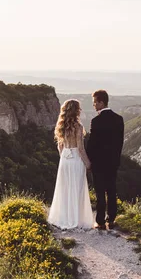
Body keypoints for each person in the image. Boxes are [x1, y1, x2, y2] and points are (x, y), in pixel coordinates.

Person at [47, 99, 95, 229]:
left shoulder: (61, 126)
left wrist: (64, 157)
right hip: (75, 159)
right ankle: (76, 219)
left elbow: (60, 146)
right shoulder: (78, 127)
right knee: (77, 189)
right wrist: (88, 164)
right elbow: (80, 149)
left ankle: (64, 217)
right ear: (77, 111)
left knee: (65, 188)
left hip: (65, 159)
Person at [86, 90, 124, 230]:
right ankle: (112, 220)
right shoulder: (119, 119)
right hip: (113, 162)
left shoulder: (96, 121)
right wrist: (116, 160)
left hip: (98, 163)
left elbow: (92, 144)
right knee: (112, 190)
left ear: (101, 102)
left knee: (100, 192)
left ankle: (100, 221)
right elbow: (120, 143)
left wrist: (89, 161)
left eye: (95, 102)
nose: (94, 105)